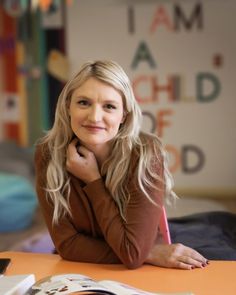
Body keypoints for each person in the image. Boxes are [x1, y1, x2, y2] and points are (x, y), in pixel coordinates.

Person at [35, 60, 208, 270]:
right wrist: (151, 252)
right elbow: (68, 245)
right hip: (79, 270)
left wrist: (93, 181)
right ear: (67, 106)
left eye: (109, 106)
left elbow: (133, 254)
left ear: (123, 115)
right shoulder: (48, 153)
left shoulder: (145, 155)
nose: (95, 117)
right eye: (83, 102)